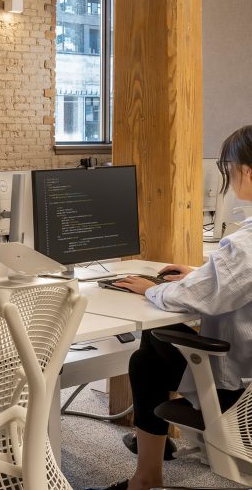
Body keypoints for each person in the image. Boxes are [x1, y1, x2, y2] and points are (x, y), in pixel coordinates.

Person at [89, 125, 252, 490]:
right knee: (153, 352)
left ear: (248, 172)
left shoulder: (245, 246)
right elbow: (234, 282)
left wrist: (150, 289)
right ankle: (150, 467)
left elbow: (190, 298)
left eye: (229, 170)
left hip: (239, 390)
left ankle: (146, 478)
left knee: (151, 348)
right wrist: (203, 272)